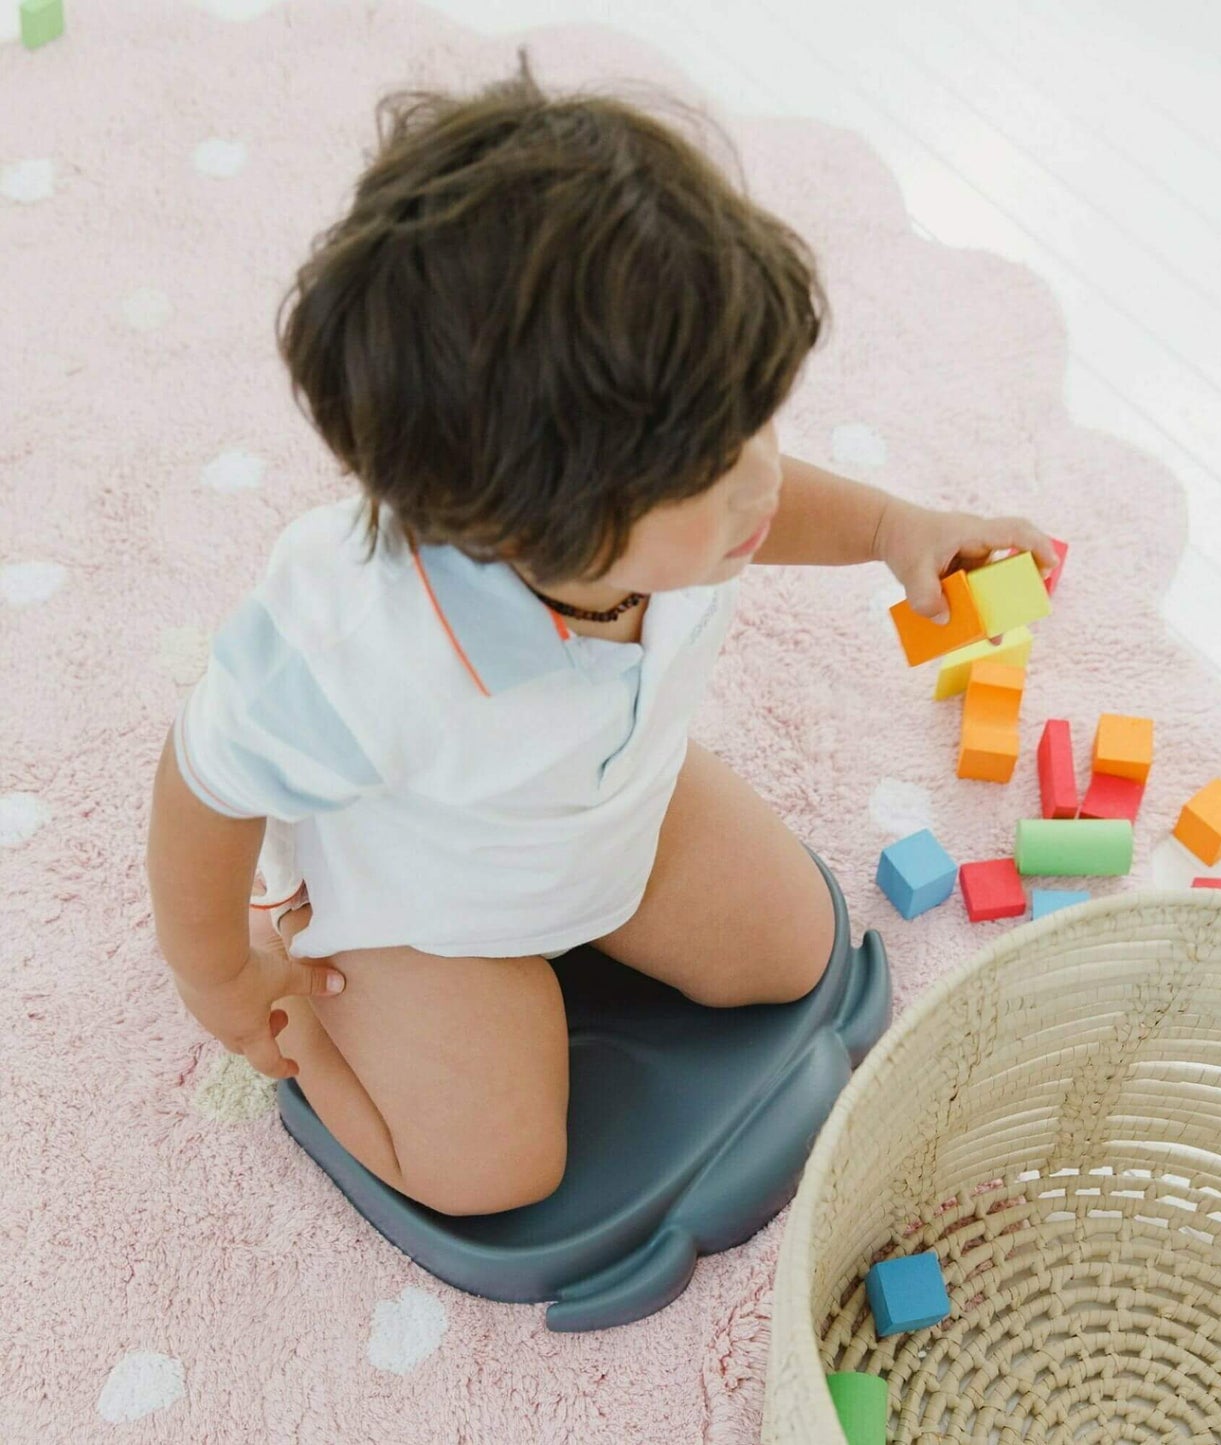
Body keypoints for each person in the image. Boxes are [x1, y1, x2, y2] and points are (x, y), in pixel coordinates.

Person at [145, 48, 1056, 1220]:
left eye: (757, 423)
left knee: (787, 954)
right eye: (717, 470)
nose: (763, 479)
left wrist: (896, 527)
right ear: (537, 520)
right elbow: (204, 781)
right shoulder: (357, 645)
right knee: (492, 1170)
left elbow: (766, 502)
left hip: (609, 817)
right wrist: (219, 970)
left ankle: (610, 825)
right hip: (432, 914)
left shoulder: (677, 512)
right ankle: (331, 1036)